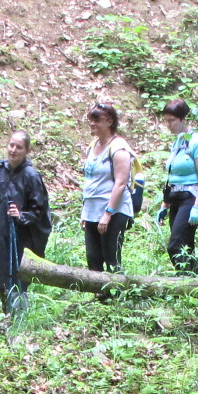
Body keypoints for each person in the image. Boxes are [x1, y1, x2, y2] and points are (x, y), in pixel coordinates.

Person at [0, 130, 52, 309]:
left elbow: (39, 210)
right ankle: (8, 318)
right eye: (11, 145)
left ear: (26, 151)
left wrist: (21, 216)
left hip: (20, 240)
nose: (13, 150)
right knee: (0, 279)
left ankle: (19, 322)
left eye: (19, 147)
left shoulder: (31, 176)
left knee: (17, 281)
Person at [160, 99, 198, 273]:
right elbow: (172, 175)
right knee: (186, 247)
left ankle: (186, 283)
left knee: (176, 246)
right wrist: (165, 205)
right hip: (176, 197)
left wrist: (197, 207)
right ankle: (194, 287)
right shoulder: (178, 142)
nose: (168, 125)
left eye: (171, 120)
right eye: (166, 120)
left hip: (191, 198)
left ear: (183, 119)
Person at [80, 103, 134, 274]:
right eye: (91, 120)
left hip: (114, 210)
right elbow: (90, 180)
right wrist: (85, 211)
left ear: (109, 121)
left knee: (111, 256)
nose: (92, 124)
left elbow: (121, 182)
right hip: (92, 209)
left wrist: (108, 213)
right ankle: (99, 297)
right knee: (93, 257)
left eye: (97, 120)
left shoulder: (119, 148)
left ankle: (116, 296)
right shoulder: (92, 146)